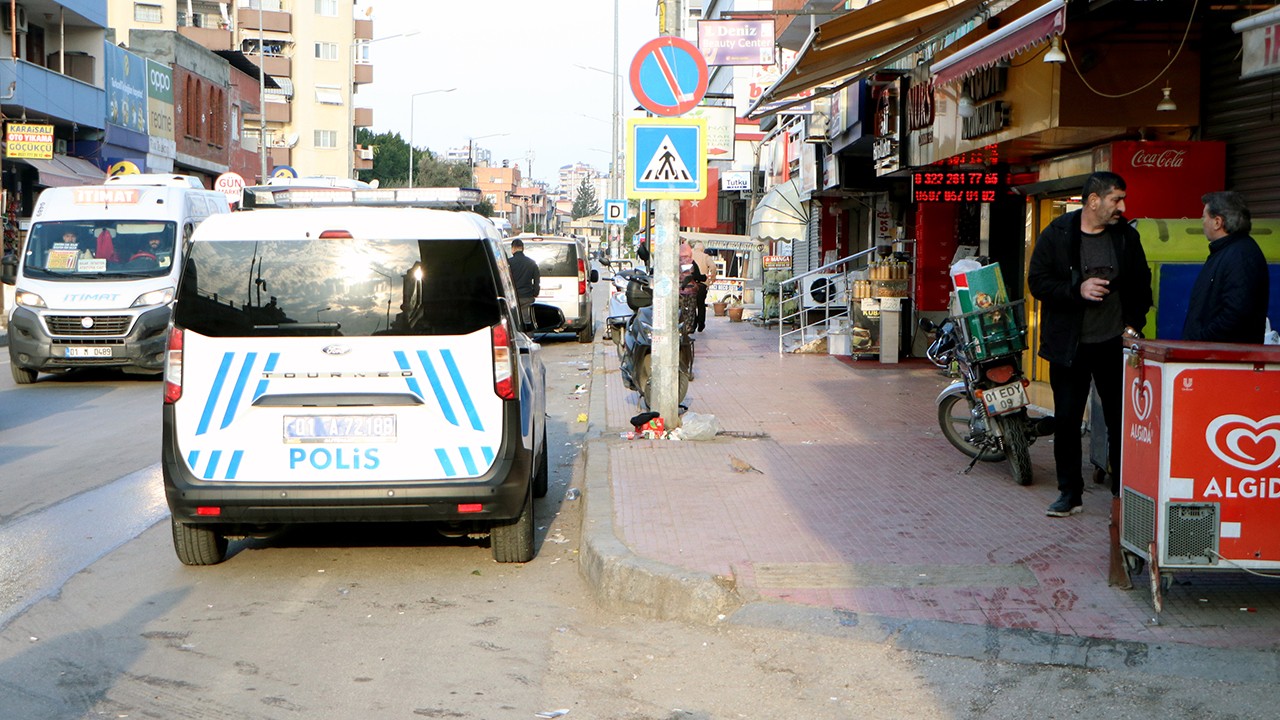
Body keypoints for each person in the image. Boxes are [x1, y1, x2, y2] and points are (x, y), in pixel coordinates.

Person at [1027, 171, 1152, 518]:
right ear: (1094, 201)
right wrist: (1076, 290)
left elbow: (1141, 283)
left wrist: (1133, 325)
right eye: (1116, 199)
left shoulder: (1125, 236)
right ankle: (1069, 494)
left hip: (1114, 343)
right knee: (1067, 420)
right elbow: (1037, 282)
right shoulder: (1057, 233)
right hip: (1069, 346)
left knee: (1119, 420)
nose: (1122, 207)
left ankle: (1122, 493)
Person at [1182, 191, 1270, 344]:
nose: (1202, 222)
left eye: (1204, 217)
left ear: (1218, 222)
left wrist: (1201, 340)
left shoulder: (1241, 255)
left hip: (1220, 354)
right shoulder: (1226, 251)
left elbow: (1236, 314)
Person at [507, 238, 540, 325]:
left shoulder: (508, 263)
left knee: (513, 322)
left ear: (513, 248)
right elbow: (537, 281)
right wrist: (535, 292)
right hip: (527, 296)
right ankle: (527, 333)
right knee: (527, 321)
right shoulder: (531, 263)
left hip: (512, 297)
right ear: (523, 248)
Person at [690, 240, 717, 331]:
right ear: (702, 249)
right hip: (702, 283)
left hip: (691, 283)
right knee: (701, 304)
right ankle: (701, 324)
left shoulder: (690, 255)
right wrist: (712, 278)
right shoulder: (706, 257)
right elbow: (713, 267)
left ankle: (693, 323)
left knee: (692, 304)